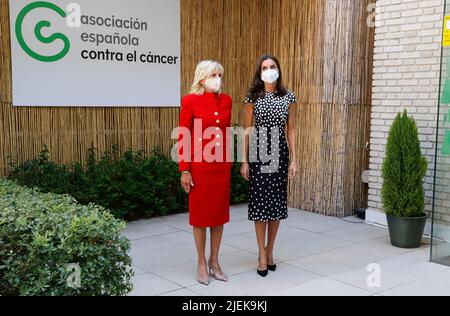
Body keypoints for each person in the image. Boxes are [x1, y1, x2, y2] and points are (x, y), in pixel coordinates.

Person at [241, 54, 298, 277]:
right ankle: (261, 254)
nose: (269, 70)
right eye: (264, 67)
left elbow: (291, 129)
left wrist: (295, 158)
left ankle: (270, 250)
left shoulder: (288, 97)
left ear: (278, 69)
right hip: (258, 152)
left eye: (272, 66)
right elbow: (247, 129)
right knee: (259, 205)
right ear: (259, 71)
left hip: (280, 153)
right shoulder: (252, 98)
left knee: (275, 205)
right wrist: (244, 160)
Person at [178, 60, 233, 285]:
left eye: (219, 74)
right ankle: (201, 262)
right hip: (200, 168)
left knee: (218, 217)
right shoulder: (190, 100)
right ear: (202, 78)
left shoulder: (227, 101)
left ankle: (215, 261)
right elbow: (184, 135)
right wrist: (184, 169)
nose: (217, 78)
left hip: (220, 167)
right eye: (213, 74)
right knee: (200, 218)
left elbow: (227, 132)